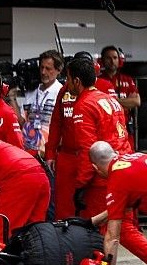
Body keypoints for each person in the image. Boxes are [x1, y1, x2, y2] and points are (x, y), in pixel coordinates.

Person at [65, 57, 147, 265]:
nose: (66, 83)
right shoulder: (110, 100)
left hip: (103, 178)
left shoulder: (83, 105)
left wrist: (80, 185)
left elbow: (90, 151)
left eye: (68, 78)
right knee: (117, 228)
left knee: (110, 229)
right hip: (125, 168)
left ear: (77, 81)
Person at [45, 51, 117, 219]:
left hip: (95, 158)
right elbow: (56, 123)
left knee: (93, 208)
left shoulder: (105, 87)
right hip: (68, 156)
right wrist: (50, 153)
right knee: (64, 207)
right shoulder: (65, 90)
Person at [21, 50, 64, 158]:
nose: (43, 72)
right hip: (27, 151)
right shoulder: (31, 91)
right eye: (41, 68)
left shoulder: (62, 92)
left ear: (58, 70)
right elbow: (22, 122)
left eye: (48, 68)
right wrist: (12, 99)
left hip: (48, 154)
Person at [100, 45, 140, 142]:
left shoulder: (128, 80)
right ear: (102, 61)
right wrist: (125, 102)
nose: (112, 61)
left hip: (125, 125)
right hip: (104, 127)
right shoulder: (97, 81)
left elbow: (136, 102)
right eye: (108, 58)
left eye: (115, 58)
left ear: (119, 60)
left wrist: (112, 100)